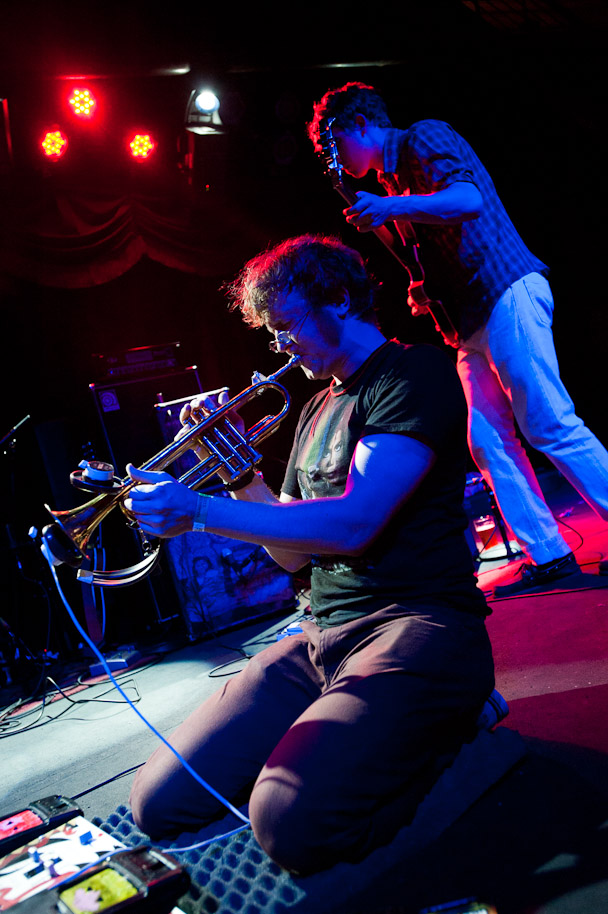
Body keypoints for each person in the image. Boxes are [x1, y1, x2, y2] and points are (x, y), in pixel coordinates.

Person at [125, 234, 494, 875]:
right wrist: (239, 474)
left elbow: (355, 524)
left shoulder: (414, 373)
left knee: (287, 822)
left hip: (418, 624)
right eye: (272, 333)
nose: (280, 346)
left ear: (340, 300)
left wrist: (199, 510)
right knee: (157, 802)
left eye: (287, 325)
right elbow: (292, 558)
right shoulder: (315, 409)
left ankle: (458, 723)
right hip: (322, 637)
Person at [307, 82, 608, 596]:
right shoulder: (394, 181)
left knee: (549, 423)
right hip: (470, 320)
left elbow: (468, 199)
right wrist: (421, 286)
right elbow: (436, 245)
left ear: (361, 123)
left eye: (335, 142)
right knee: (487, 441)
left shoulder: (422, 137)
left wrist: (392, 208)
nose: (334, 156)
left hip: (504, 290)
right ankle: (549, 555)